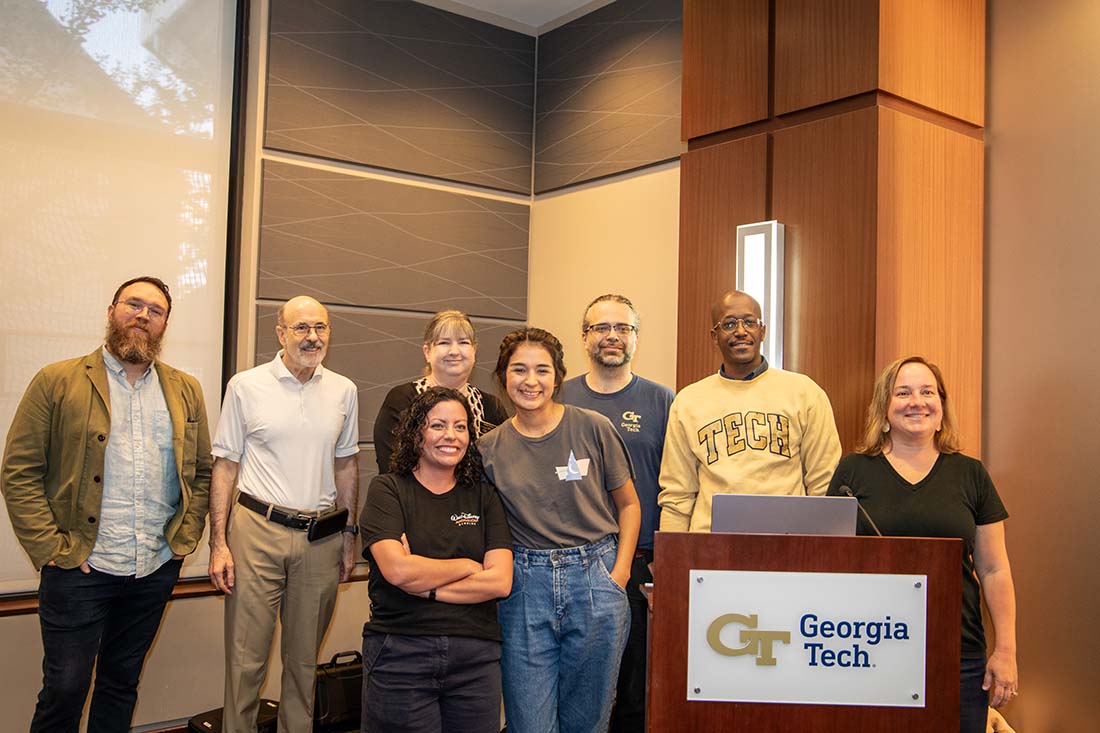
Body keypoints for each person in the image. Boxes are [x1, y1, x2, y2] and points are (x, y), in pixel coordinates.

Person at [1, 276, 213, 733]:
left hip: (152, 568)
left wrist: (185, 538)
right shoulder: (57, 380)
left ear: (164, 325)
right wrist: (51, 548)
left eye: (155, 311)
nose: (143, 316)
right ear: (111, 311)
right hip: (79, 568)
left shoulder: (185, 389)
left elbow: (200, 471)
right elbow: (17, 471)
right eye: (133, 305)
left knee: (121, 683)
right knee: (65, 688)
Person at [828, 356, 1018, 733]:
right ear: (884, 406)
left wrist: (1006, 650)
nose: (917, 401)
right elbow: (831, 563)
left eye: (927, 392)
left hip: (958, 653)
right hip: (868, 648)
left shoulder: (971, 474)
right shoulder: (853, 471)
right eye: (903, 393)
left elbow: (995, 570)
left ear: (941, 404)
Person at [207, 295, 359, 733]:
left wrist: (349, 534)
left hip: (320, 537)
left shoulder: (343, 390)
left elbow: (347, 464)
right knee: (245, 663)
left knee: (303, 663)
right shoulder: (245, 385)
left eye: (321, 328)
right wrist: (218, 543)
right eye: (301, 328)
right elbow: (226, 466)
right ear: (281, 334)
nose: (312, 337)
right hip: (255, 531)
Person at [478, 327, 641, 733]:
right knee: (529, 722)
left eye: (542, 370)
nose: (530, 381)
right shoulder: (488, 449)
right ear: (503, 377)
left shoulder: (593, 427)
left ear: (558, 377)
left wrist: (617, 577)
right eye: (519, 370)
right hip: (524, 588)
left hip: (596, 580)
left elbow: (630, 505)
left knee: (588, 721)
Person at [359, 387, 513, 732]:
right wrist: (468, 567)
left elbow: (500, 581)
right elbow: (397, 570)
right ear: (417, 433)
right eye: (438, 425)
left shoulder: (485, 497)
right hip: (401, 650)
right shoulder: (388, 490)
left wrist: (425, 585)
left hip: (475, 657)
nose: (451, 436)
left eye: (460, 427)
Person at [559, 294, 673, 733]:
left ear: (636, 338)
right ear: (584, 337)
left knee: (634, 687)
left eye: (622, 328)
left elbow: (676, 486)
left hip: (639, 563)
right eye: (601, 328)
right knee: (574, 679)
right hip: (568, 561)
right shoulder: (559, 396)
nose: (612, 336)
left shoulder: (663, 401)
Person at [658, 290, 841, 531]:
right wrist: (674, 562)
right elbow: (677, 497)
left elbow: (824, 485)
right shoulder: (688, 402)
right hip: (711, 549)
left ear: (762, 331)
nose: (741, 331)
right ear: (714, 336)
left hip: (787, 544)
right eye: (729, 324)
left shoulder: (805, 392)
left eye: (750, 322)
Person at [373, 310, 509, 473]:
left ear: (474, 351)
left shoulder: (491, 406)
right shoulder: (402, 400)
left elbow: (503, 469)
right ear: (427, 352)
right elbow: (392, 468)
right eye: (444, 343)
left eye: (463, 342)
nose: (454, 351)